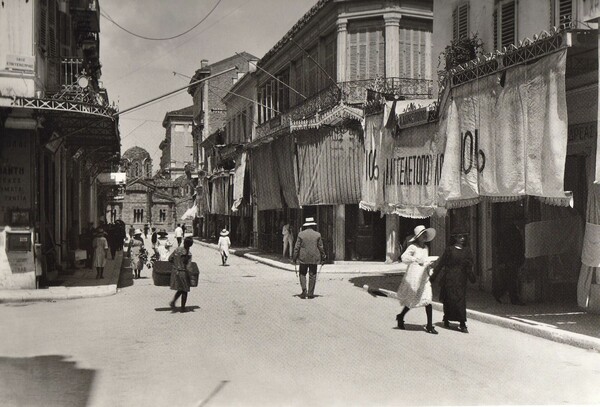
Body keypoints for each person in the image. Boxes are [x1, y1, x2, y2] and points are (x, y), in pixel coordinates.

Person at [396, 225, 438, 334]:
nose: (424, 237)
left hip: (424, 275)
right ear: (417, 237)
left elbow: (425, 260)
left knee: (428, 299)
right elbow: (404, 257)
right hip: (414, 275)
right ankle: (401, 316)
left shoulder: (426, 248)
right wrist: (415, 259)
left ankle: (429, 325)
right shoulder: (413, 247)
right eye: (421, 235)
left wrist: (429, 265)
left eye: (425, 234)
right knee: (412, 298)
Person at [431, 233, 476, 333]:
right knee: (449, 300)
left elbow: (469, 265)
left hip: (461, 279)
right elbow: (441, 263)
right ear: (455, 238)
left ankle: (462, 323)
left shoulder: (467, 250)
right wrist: (433, 277)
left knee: (460, 301)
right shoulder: (449, 250)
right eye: (460, 237)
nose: (462, 239)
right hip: (449, 278)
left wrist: (472, 277)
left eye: (464, 237)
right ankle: (446, 318)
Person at [292, 217, 326, 299]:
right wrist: (323, 256)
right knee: (313, 274)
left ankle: (304, 290)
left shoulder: (301, 234)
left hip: (303, 258)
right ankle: (310, 293)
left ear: (306, 225)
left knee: (302, 273)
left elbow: (297, 247)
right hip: (314, 257)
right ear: (313, 225)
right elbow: (321, 247)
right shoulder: (317, 234)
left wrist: (294, 257)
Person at [493, 221, 526, 305]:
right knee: (512, 279)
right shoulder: (512, 233)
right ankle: (513, 299)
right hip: (511, 259)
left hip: (510, 259)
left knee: (509, 279)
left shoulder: (510, 232)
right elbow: (513, 247)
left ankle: (499, 293)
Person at [169, 236, 194, 312]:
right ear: (191, 245)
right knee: (185, 290)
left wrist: (175, 265)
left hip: (175, 272)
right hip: (183, 273)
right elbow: (189, 267)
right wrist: (191, 277)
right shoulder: (189, 254)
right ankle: (183, 307)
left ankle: (173, 302)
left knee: (180, 289)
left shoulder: (177, 250)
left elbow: (170, 259)